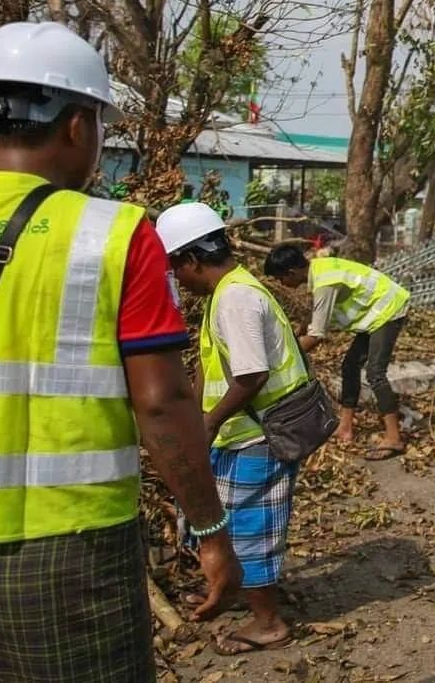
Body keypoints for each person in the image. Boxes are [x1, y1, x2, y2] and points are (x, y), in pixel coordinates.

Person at [0, 22, 241, 682]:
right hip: (65, 550)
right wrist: (210, 529)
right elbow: (161, 402)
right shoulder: (112, 234)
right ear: (77, 126)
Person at [156, 203, 308, 656]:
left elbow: (250, 375)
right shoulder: (226, 292)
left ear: (191, 260)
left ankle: (268, 623)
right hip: (238, 434)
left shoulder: (236, 298)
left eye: (175, 268)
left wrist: (206, 424)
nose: (177, 279)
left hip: (258, 437)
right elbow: (212, 363)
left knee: (249, 530)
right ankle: (228, 592)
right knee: (217, 521)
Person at [263, 244, 411, 460]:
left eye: (280, 278)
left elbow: (317, 336)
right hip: (374, 313)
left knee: (375, 373)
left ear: (291, 272)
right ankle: (345, 428)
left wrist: (283, 360)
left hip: (388, 309)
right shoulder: (318, 269)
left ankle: (394, 437)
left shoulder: (325, 282)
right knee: (349, 366)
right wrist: (296, 334)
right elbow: (314, 315)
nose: (281, 284)